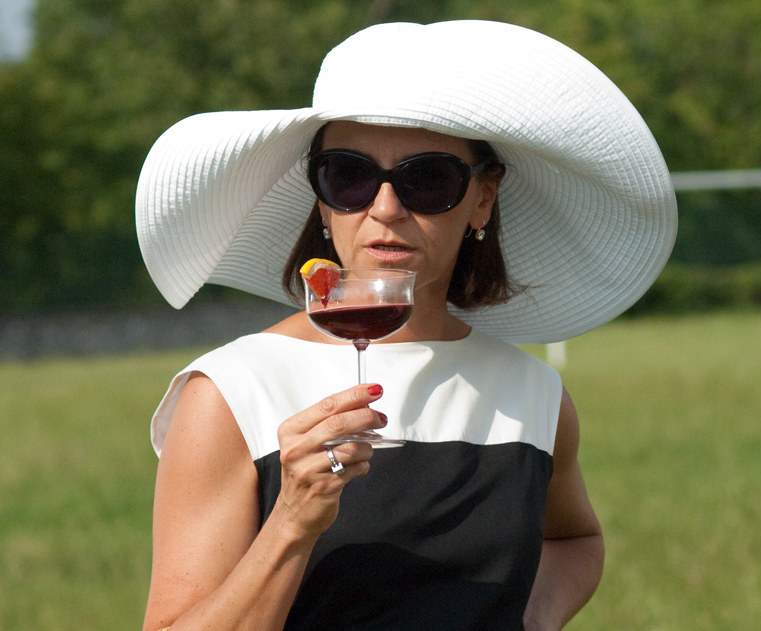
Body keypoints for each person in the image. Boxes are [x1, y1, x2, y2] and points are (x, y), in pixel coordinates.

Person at [135, 21, 676, 631]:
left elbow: (574, 540)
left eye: (427, 180)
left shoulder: (535, 394)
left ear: (483, 197)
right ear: (320, 198)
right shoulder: (231, 393)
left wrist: (528, 619)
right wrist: (291, 521)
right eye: (349, 175)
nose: (385, 208)